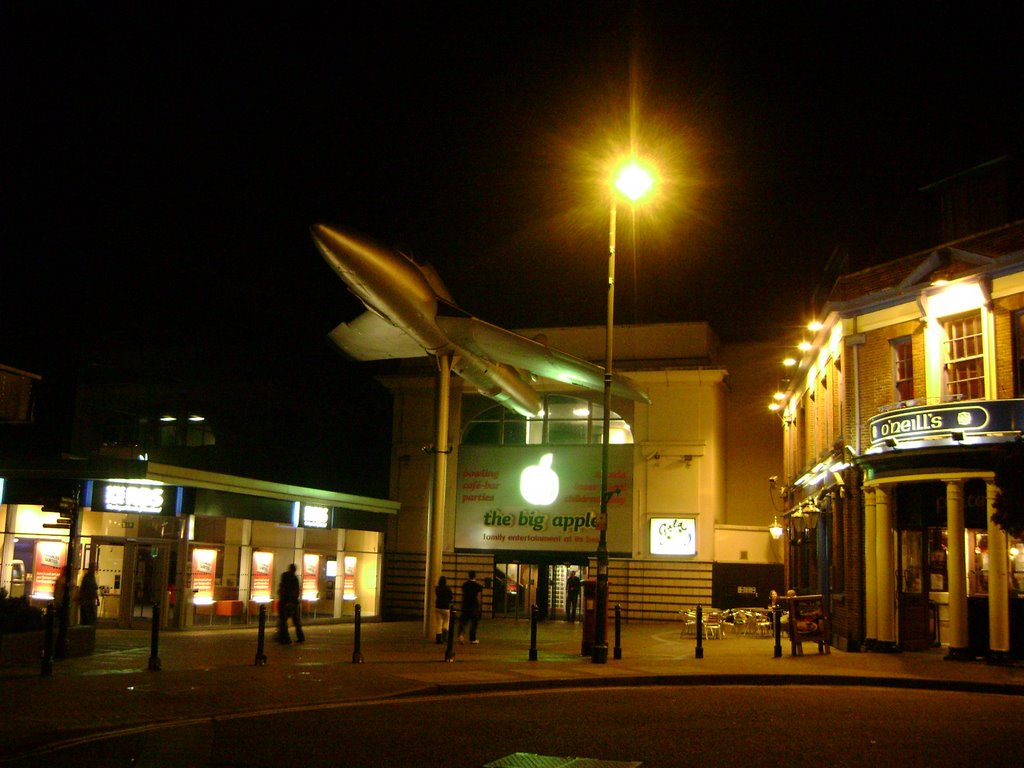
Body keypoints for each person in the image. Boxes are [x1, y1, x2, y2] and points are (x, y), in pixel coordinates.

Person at [277, 563, 304, 643]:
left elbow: (282, 589)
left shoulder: (286, 577)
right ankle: (300, 637)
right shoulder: (294, 579)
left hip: (286, 602)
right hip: (293, 602)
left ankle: (285, 638)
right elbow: (296, 592)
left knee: (283, 620)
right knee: (296, 621)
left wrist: (284, 599)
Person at [457, 570, 483, 644]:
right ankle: (472, 638)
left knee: (463, 622)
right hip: (473, 606)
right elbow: (478, 597)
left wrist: (461, 604)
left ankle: (461, 636)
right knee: (474, 623)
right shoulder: (478, 586)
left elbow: (462, 596)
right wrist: (479, 606)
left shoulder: (464, 585)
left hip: (465, 605)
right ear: (475, 576)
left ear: (468, 576)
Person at [434, 576, 453, 644]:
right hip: (446, 607)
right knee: (446, 621)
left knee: (438, 622)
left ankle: (438, 638)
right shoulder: (448, 588)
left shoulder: (437, 588)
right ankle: (445, 636)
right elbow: (451, 597)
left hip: (438, 606)